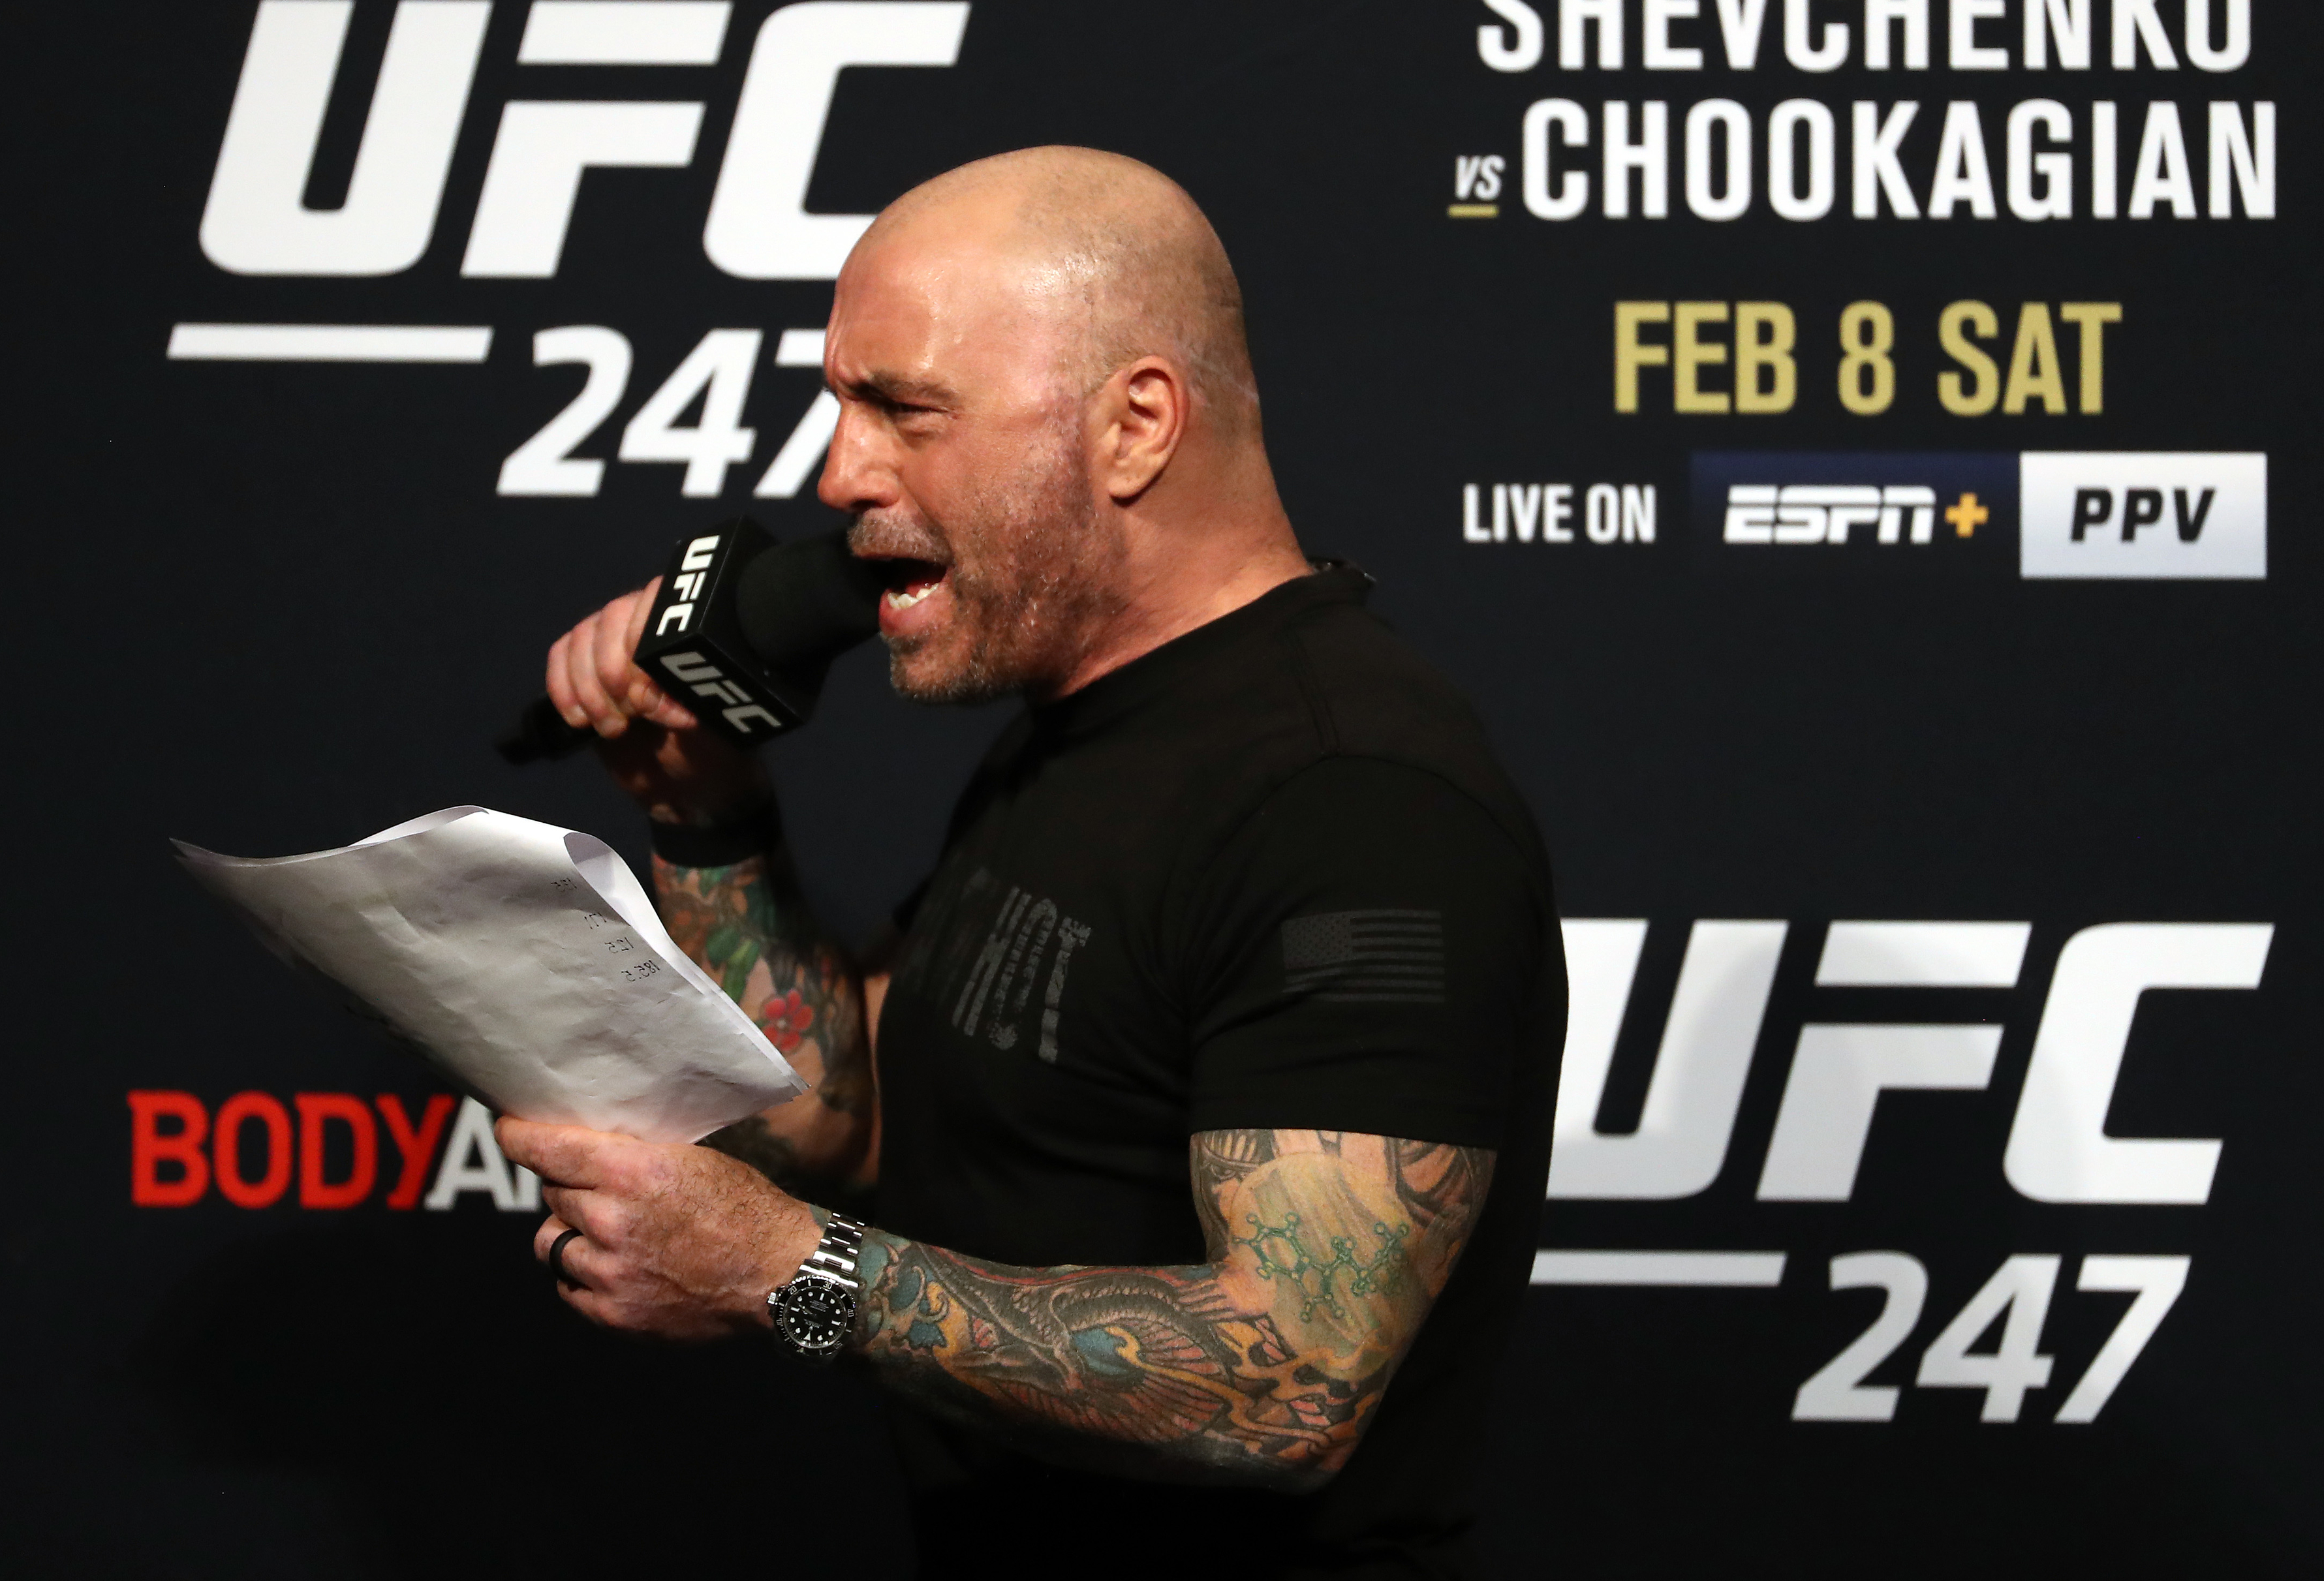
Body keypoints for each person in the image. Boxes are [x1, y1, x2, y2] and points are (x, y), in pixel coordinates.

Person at [504, 147, 1568, 1578]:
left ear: (1135, 427)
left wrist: (784, 1274)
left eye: (905, 410)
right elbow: (839, 1134)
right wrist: (708, 813)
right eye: (841, 406)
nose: (839, 473)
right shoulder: (1080, 730)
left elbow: (1291, 1382)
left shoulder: (1354, 801)